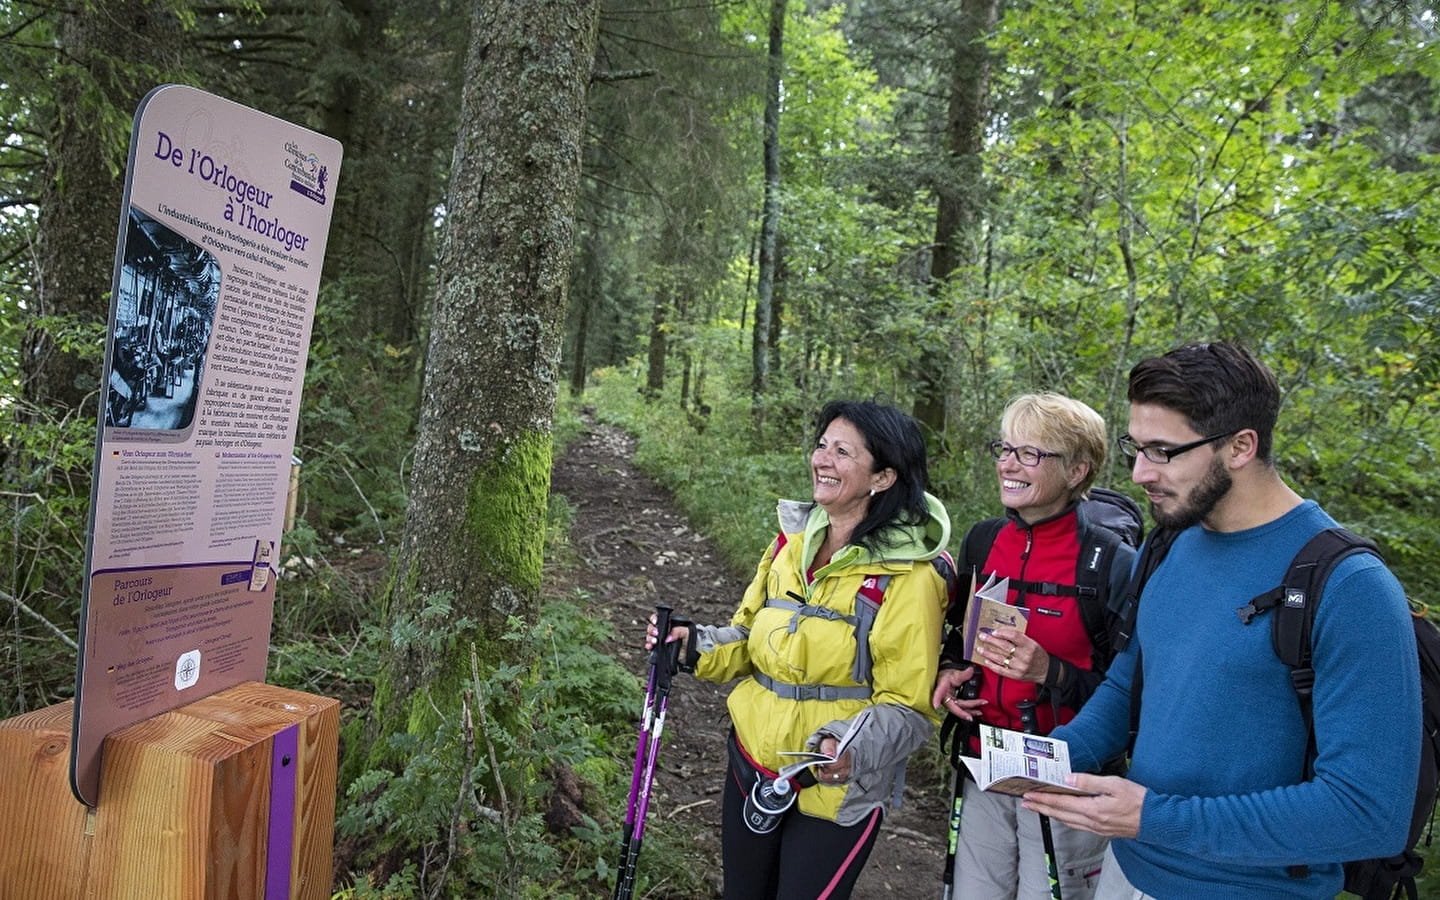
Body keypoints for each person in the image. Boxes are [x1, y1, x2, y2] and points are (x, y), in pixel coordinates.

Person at [1022, 341, 1421, 899]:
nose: (1139, 473)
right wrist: (1046, 760)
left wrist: (1153, 817)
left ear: (1240, 446)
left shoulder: (1350, 586)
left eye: (1162, 451)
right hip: (1126, 871)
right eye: (1135, 447)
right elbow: (1132, 680)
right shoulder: (1169, 544)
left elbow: (1367, 812)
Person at [646, 399, 952, 900]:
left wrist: (847, 748)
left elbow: (907, 706)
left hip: (832, 788)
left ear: (883, 478)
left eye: (842, 452)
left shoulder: (908, 578)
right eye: (821, 445)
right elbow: (747, 638)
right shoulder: (789, 545)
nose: (822, 460)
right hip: (751, 762)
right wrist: (692, 645)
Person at [932, 392, 1135, 899]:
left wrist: (1052, 671)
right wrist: (952, 670)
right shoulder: (982, 541)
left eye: (1031, 454)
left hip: (1067, 780)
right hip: (984, 766)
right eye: (1004, 448)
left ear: (1076, 470)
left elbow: (1133, 697)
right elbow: (958, 635)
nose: (1008, 464)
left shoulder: (1110, 562)